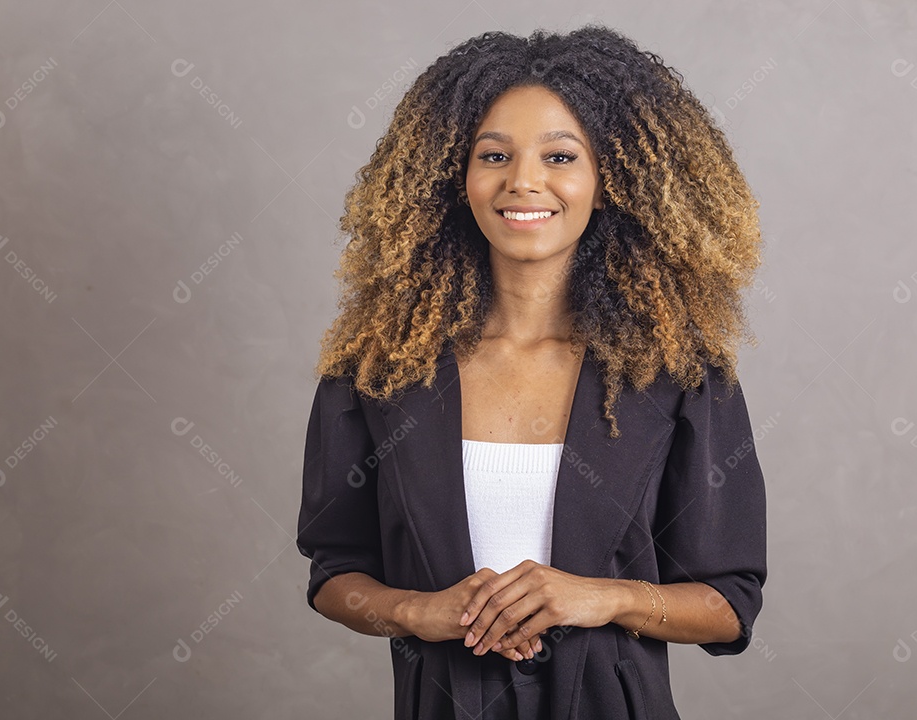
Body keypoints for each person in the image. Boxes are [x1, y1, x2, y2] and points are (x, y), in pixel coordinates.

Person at [297, 24, 768, 720]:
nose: (523, 181)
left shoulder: (677, 374)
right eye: (494, 154)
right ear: (454, 180)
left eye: (560, 155)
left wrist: (600, 596)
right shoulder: (378, 369)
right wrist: (422, 612)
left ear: (610, 181)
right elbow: (336, 573)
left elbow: (729, 603)